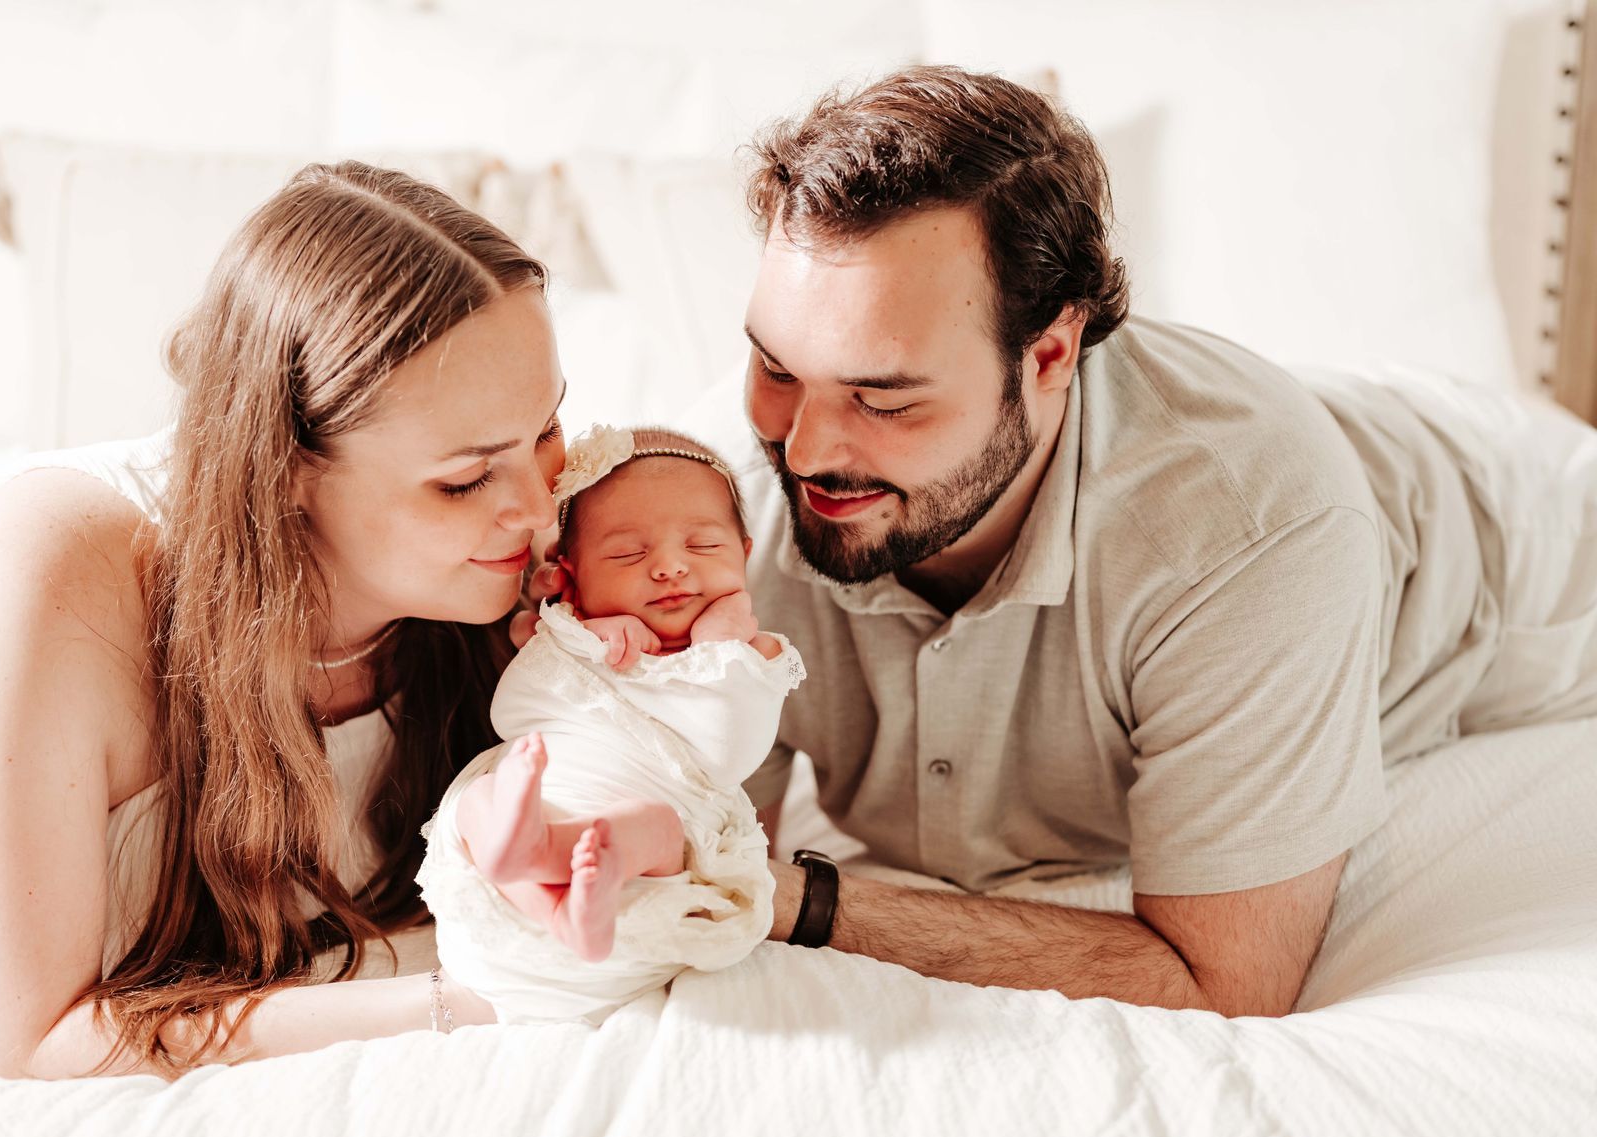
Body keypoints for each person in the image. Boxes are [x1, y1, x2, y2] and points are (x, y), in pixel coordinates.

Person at [678, 66, 1597, 1018]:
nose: (806, 446)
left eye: (886, 398)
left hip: (1525, 548)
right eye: (777, 368)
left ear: (1048, 357)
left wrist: (798, 901)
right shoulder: (715, 503)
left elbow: (1228, 977)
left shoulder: (1253, 535)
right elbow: (688, 844)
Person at [0, 161, 581, 1076]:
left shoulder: (528, 556)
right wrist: (456, 1008)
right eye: (464, 481)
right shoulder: (45, 579)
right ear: (290, 463)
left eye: (546, 430)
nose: (541, 511)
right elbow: (21, 1042)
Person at [418, 426, 803, 1024]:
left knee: (655, 826)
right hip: (497, 914)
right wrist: (580, 639)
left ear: (744, 555)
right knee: (478, 797)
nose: (671, 568)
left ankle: (550, 862)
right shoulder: (571, 633)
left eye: (704, 547)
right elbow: (515, 713)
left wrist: (716, 650)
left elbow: (728, 755)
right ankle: (545, 890)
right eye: (627, 554)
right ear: (568, 578)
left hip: (635, 884)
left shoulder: (752, 655)